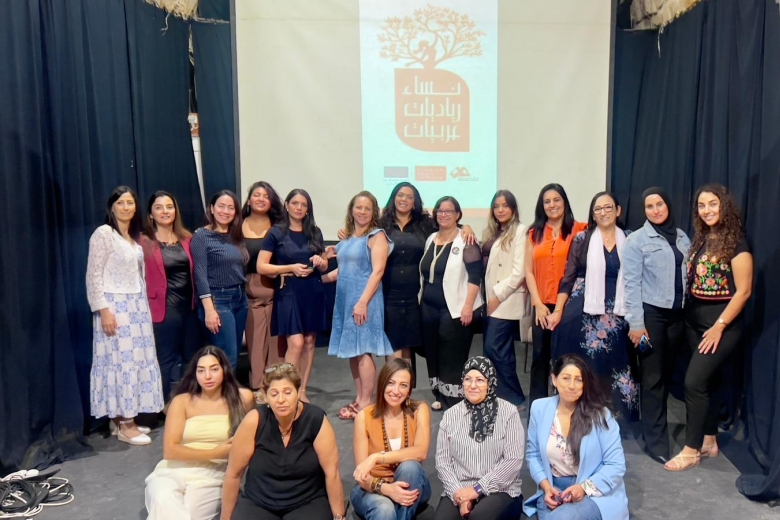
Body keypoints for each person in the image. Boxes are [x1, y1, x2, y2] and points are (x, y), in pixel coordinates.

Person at [664, 183, 753, 471]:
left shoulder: (737, 242)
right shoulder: (702, 238)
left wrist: (719, 326)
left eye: (713, 204)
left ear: (724, 206)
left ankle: (691, 450)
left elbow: (744, 291)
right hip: (694, 321)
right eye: (702, 206)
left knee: (694, 383)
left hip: (722, 324)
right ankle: (709, 440)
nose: (707, 210)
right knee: (709, 383)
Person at [338, 182, 476, 364]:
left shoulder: (425, 224)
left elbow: (448, 225)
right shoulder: (382, 224)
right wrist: (346, 233)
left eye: (409, 197)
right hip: (388, 296)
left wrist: (466, 227)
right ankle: (393, 382)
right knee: (393, 348)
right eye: (400, 195)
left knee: (408, 349)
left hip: (415, 298)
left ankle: (406, 383)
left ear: (415, 202)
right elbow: (361, 235)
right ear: (393, 198)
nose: (404, 199)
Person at [551, 192, 639, 422]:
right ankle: (579, 415)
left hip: (620, 310)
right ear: (592, 214)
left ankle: (616, 420)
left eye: (608, 207)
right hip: (585, 310)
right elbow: (568, 278)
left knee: (618, 362)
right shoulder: (582, 239)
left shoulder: (631, 239)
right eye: (598, 209)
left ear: (618, 211)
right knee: (579, 360)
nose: (603, 212)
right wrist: (558, 311)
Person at [86, 186, 163, 445]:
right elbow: (94, 275)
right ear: (112, 206)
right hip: (115, 307)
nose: (126, 207)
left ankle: (121, 419)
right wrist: (103, 310)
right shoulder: (103, 234)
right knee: (121, 362)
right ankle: (126, 425)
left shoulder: (131, 238)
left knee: (136, 360)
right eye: (121, 203)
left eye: (130, 202)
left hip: (136, 307)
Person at [220, 363, 346, 520]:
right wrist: (225, 518)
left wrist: (339, 516)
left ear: (298, 392)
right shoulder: (254, 421)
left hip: (306, 501)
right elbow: (233, 474)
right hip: (259, 502)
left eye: (287, 392)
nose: (281, 400)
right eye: (274, 394)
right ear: (266, 397)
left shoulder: (315, 419)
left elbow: (332, 474)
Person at [144, 346, 255, 520]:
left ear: (224, 370)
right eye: (201, 370)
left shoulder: (243, 398)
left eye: (214, 369)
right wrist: (216, 452)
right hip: (173, 470)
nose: (207, 376)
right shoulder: (182, 401)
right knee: (163, 499)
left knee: (188, 514)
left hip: (213, 475)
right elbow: (170, 451)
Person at [622, 187, 690, 463]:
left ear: (668, 205)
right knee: (652, 379)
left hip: (678, 317)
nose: (655, 210)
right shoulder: (637, 240)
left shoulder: (682, 237)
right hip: (651, 317)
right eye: (649, 207)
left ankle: (659, 433)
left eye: (659, 204)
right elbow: (631, 284)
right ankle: (656, 444)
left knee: (669, 376)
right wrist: (636, 324)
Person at [524, 354, 629, 520]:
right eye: (566, 378)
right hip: (556, 489)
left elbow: (615, 465)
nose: (572, 386)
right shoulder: (539, 408)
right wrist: (546, 487)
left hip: (594, 492)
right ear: (554, 379)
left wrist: (583, 488)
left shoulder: (601, 415)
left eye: (578, 380)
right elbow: (533, 455)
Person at [325, 191, 394, 419]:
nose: (362, 212)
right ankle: (360, 397)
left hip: (365, 300)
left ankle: (366, 402)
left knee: (363, 350)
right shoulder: (347, 238)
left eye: (367, 208)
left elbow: (378, 272)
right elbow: (342, 270)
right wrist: (317, 278)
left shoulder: (377, 236)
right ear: (351, 210)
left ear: (374, 212)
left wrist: (363, 302)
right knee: (353, 352)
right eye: (359, 207)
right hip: (346, 301)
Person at [256, 189, 329, 402]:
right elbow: (261, 266)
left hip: (312, 290)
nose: (299, 208)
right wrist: (289, 268)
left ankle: (302, 391)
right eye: (295, 203)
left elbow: (324, 265)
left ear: (308, 209)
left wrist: (320, 262)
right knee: (295, 343)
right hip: (289, 290)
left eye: (304, 205)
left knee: (309, 341)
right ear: (287, 205)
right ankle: (288, 390)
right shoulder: (276, 232)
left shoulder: (314, 232)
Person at [434, 357, 525, 520]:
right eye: (468, 379)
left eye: (480, 380)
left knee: (480, 517)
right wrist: (460, 496)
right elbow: (443, 463)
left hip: (501, 490)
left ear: (490, 383)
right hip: (459, 489)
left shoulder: (508, 413)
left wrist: (476, 489)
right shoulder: (450, 416)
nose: (473, 385)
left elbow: (513, 461)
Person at [525, 184, 588, 406]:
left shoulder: (581, 230)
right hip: (542, 306)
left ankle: (570, 408)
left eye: (556, 200)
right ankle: (538, 410)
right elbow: (528, 271)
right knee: (539, 358)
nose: (552, 205)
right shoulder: (533, 233)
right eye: (547, 201)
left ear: (565, 202)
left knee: (568, 360)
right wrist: (538, 304)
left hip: (571, 306)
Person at [419, 196, 483, 411]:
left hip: (455, 309)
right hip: (429, 307)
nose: (444, 214)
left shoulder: (466, 240)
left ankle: (454, 400)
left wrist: (468, 306)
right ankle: (439, 394)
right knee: (433, 352)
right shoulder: (431, 239)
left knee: (452, 355)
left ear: (458, 215)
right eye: (440, 211)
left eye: (449, 211)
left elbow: (475, 276)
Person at [350, 359, 432, 520]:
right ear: (382, 384)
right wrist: (387, 489)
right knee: (385, 509)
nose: (396, 391)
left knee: (410, 466)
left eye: (403, 385)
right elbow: (362, 476)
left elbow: (421, 452)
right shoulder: (364, 417)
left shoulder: (419, 410)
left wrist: (377, 457)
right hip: (372, 488)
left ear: (409, 389)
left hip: (411, 483)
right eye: (391, 383)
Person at [141, 190, 200, 404]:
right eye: (159, 208)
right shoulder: (144, 242)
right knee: (165, 361)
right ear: (151, 214)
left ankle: (185, 403)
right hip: (164, 310)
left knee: (191, 359)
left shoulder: (187, 239)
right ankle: (163, 405)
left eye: (169, 207)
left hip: (190, 309)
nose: (165, 211)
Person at [481, 190, 530, 409]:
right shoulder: (494, 231)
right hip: (491, 298)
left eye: (505, 205)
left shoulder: (520, 231)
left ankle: (515, 397)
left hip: (505, 298)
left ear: (513, 208)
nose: (500, 210)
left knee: (496, 348)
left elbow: (519, 273)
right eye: (496, 206)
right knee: (496, 349)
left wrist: (497, 296)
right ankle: (498, 395)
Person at [191, 190, 249, 369]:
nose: (225, 211)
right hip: (218, 300)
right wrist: (209, 310)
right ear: (211, 208)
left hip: (240, 298)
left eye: (230, 207)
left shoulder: (235, 235)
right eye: (221, 206)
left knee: (234, 355)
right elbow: (200, 274)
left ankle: (228, 388)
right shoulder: (202, 236)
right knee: (227, 359)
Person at [242, 181, 286, 391]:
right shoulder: (236, 225)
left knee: (276, 343)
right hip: (249, 291)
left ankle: (276, 386)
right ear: (249, 200)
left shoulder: (280, 227)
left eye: (266, 196)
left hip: (279, 289)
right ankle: (259, 387)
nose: (261, 199)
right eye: (256, 195)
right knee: (256, 342)